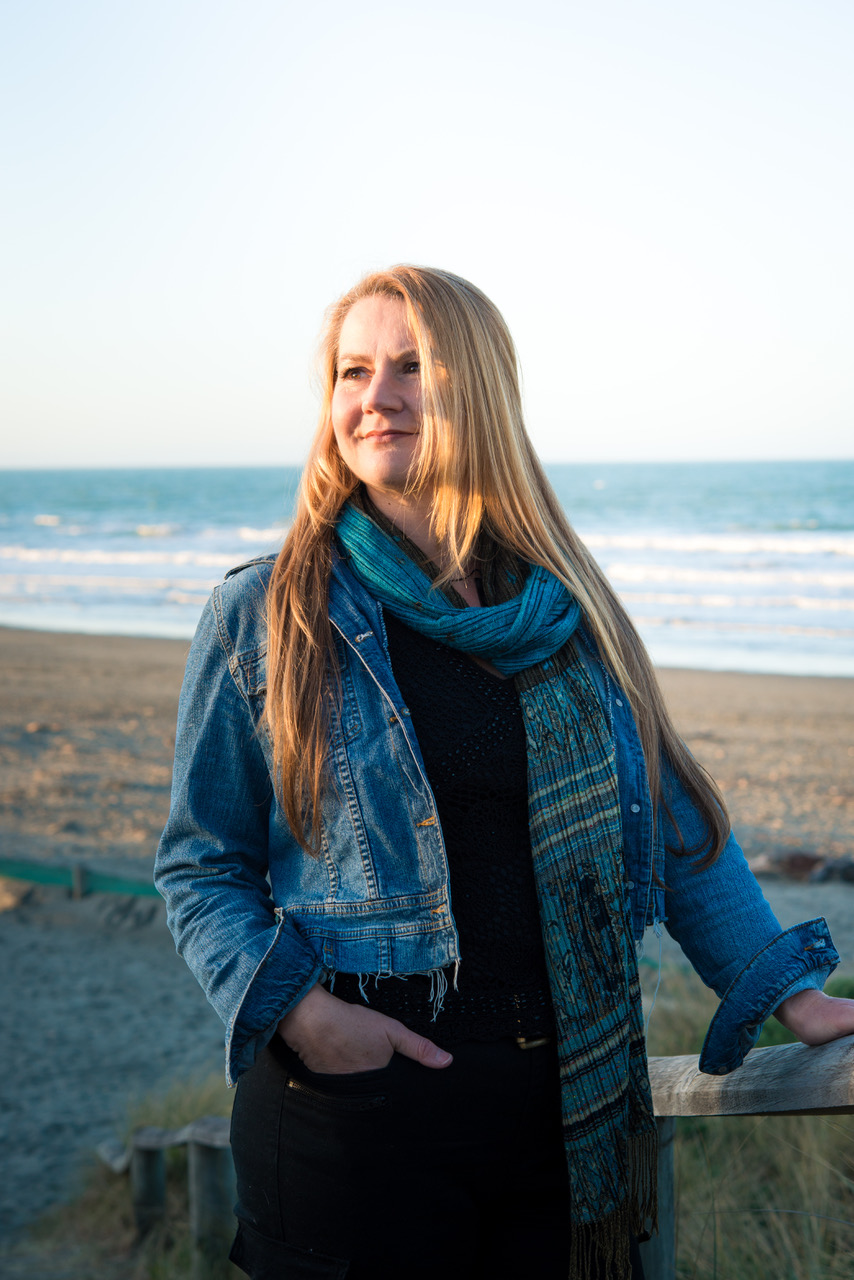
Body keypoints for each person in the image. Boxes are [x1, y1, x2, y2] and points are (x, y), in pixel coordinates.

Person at [155, 265, 854, 1280]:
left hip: (557, 1107)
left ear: (476, 389)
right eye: (353, 370)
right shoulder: (272, 613)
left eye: (411, 366)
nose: (374, 395)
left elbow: (674, 835)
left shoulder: (569, 616)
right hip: (354, 1112)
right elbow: (201, 866)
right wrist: (308, 1017)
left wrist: (796, 995)